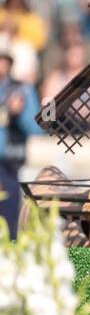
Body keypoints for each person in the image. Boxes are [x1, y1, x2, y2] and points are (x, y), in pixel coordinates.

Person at [0, 37, 41, 235]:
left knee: (8, 220)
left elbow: (35, 128)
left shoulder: (21, 89)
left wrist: (19, 114)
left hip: (9, 162)